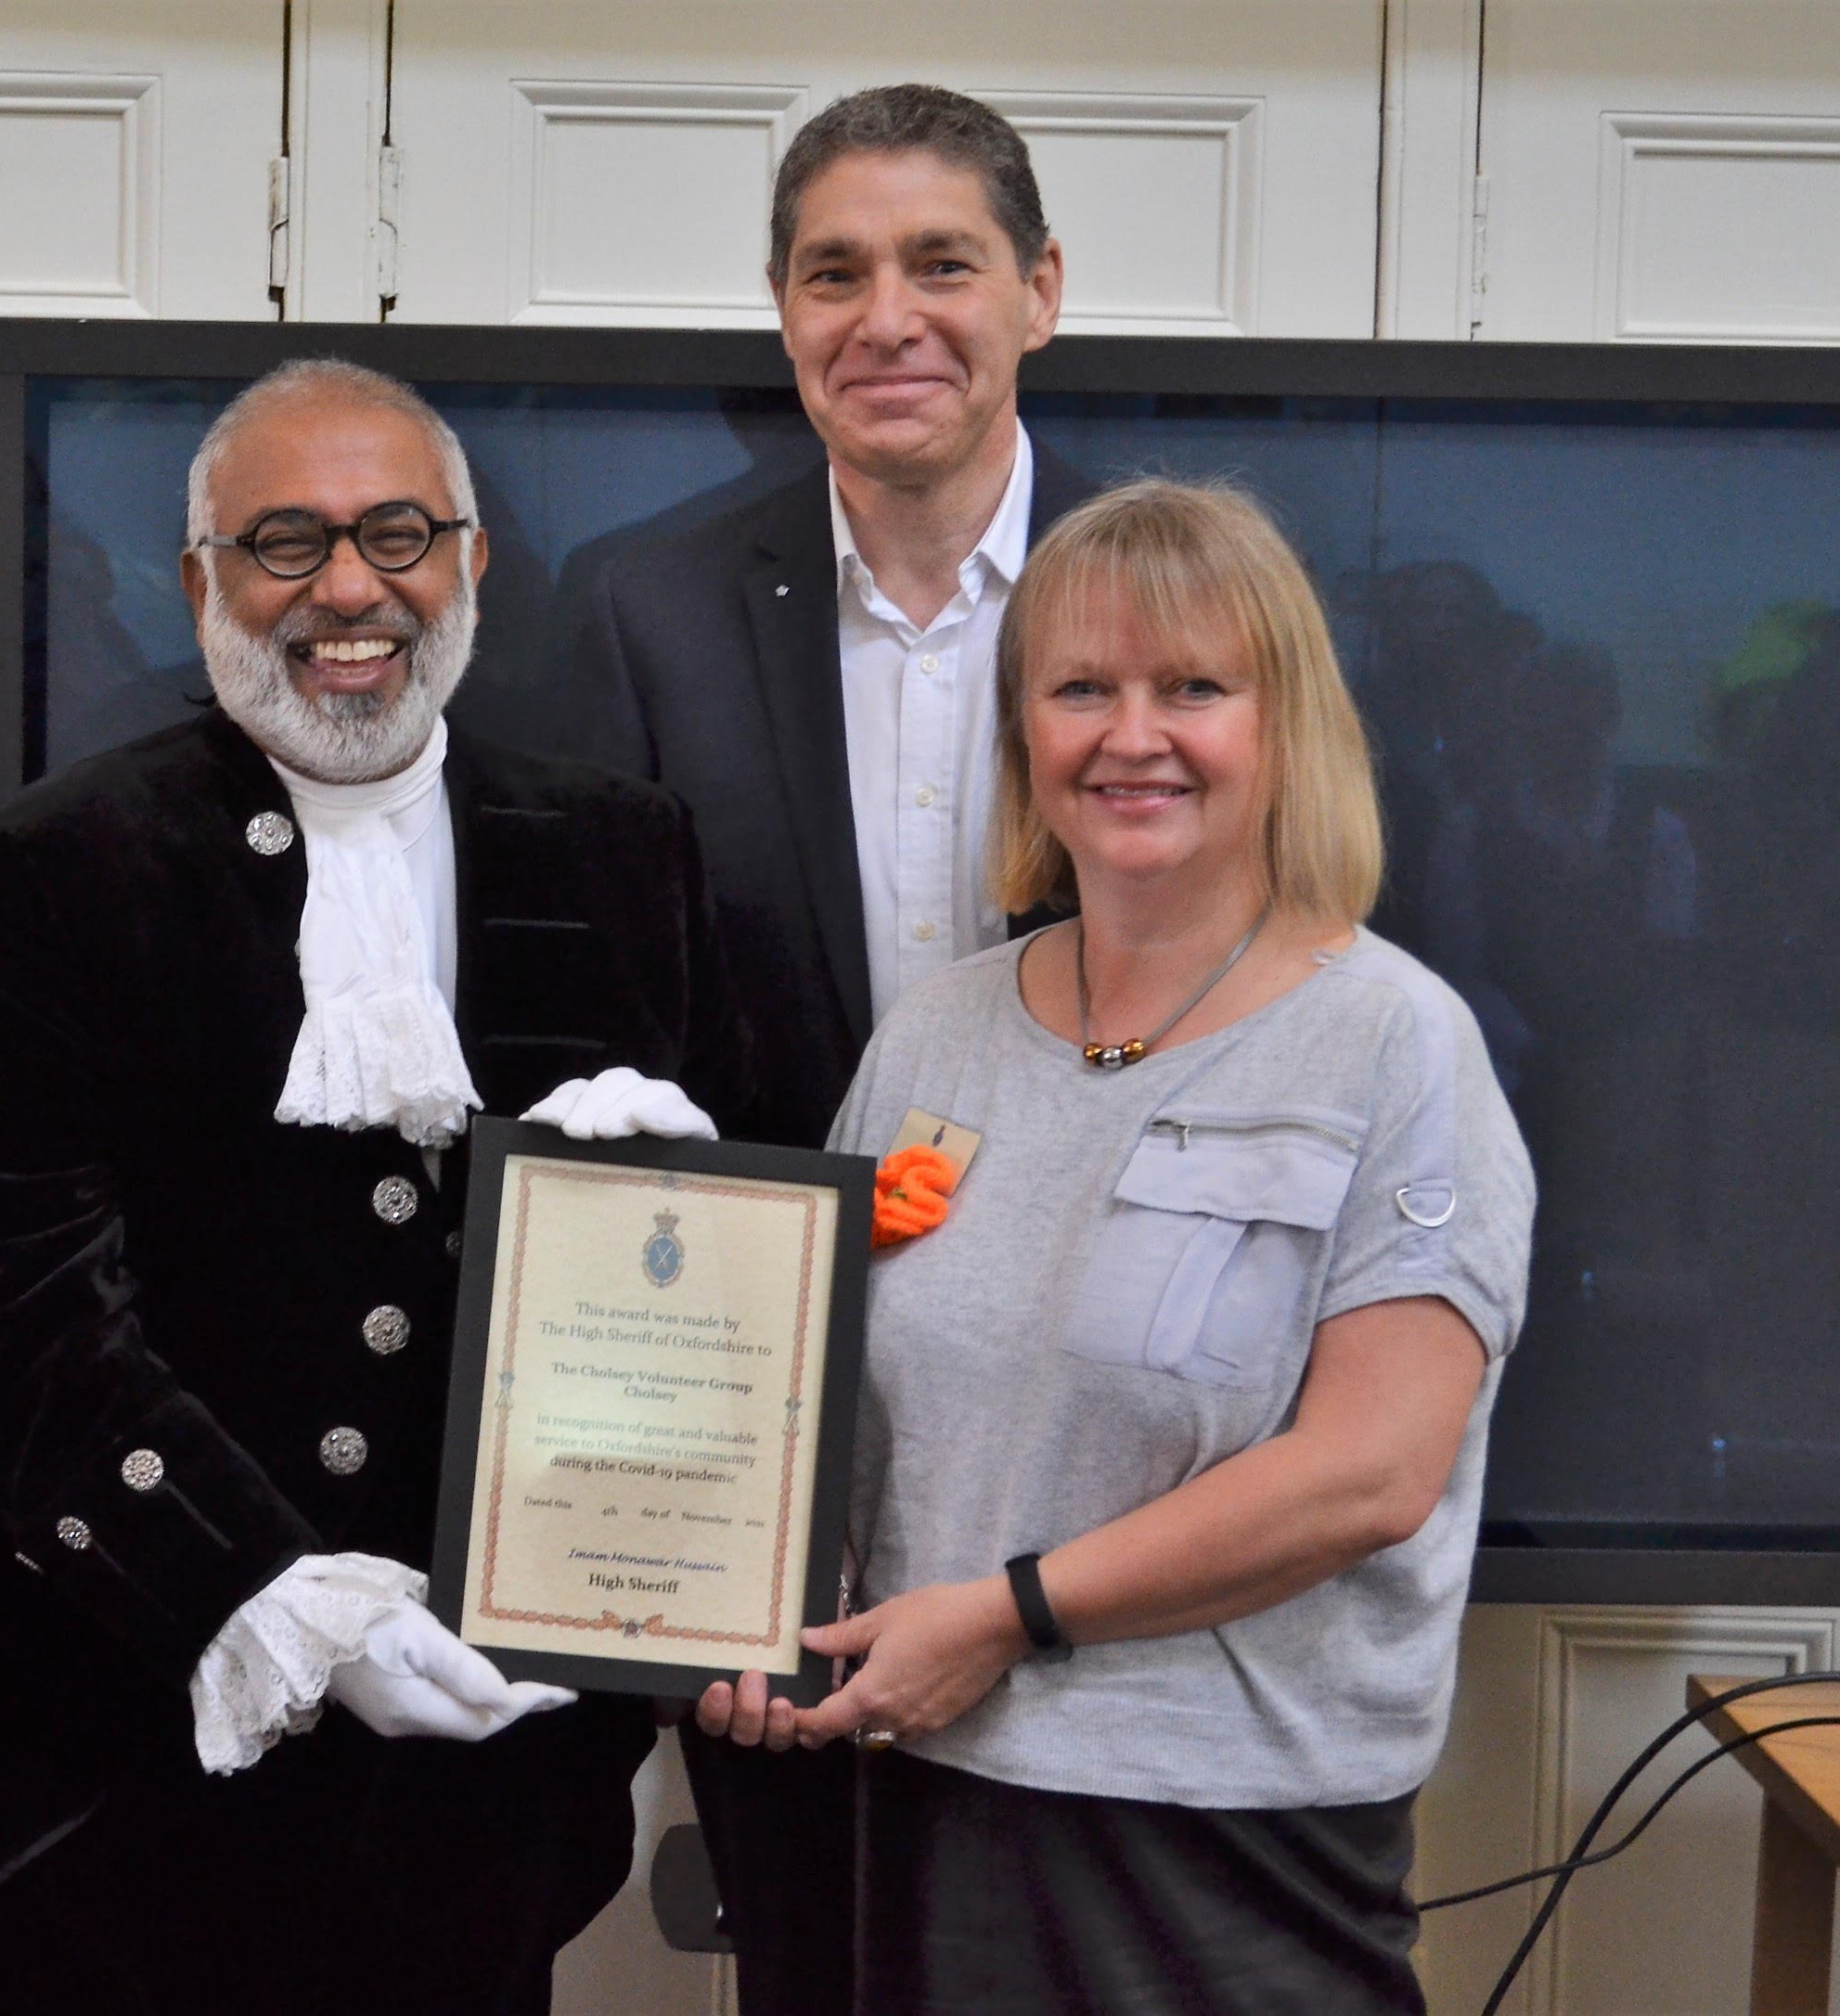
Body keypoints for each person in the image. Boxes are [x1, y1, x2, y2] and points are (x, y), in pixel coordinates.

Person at [0, 358, 753, 2014]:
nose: (349, 587)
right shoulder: (56, 867)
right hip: (136, 1763)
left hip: (491, 1787)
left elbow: (691, 1314)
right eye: (284, 541)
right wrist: (269, 1595)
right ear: (202, 576)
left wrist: (681, 1216)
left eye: (396, 532)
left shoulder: (623, 854)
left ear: (473, 561)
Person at [699, 480, 1535, 2014]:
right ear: (1023, 734)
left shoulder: (1394, 1042)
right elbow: (802, 1387)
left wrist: (1007, 1613)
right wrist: (749, 1607)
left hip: (1230, 1852)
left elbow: (1371, 1470)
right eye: (1081, 687)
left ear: (1284, 728)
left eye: (1193, 688)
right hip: (926, 1799)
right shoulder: (936, 1034)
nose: (1129, 734)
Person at [545, 83, 1098, 2006]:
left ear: (1038, 288)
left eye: (942, 262)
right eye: (833, 271)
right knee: (818, 1955)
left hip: (1100, 1419)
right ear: (782, 312)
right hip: (764, 1439)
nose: (889, 316)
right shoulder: (645, 605)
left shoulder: (1169, 591)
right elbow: (591, 1048)